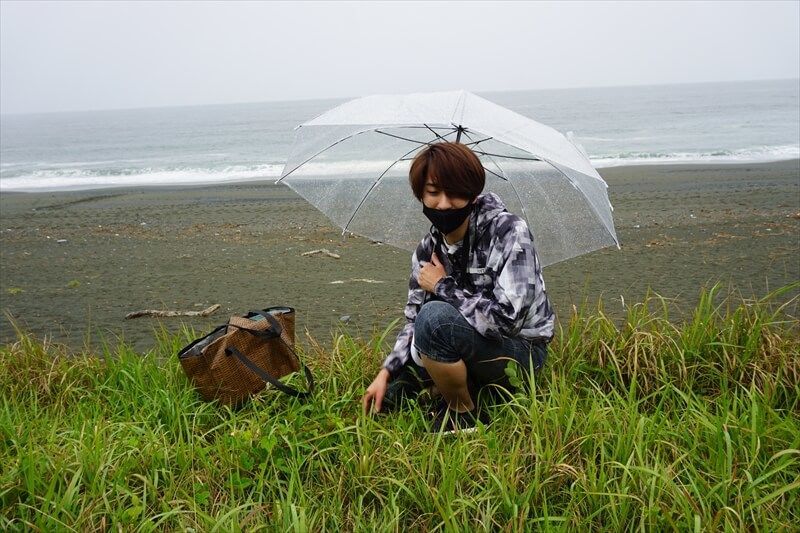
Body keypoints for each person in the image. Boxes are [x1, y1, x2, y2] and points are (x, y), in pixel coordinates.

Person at [361, 142, 554, 433]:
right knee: (391, 393)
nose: (443, 204)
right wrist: (386, 371)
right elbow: (413, 319)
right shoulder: (428, 249)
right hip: (463, 340)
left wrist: (442, 285)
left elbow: (507, 320)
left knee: (435, 320)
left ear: (473, 193)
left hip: (520, 352)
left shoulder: (509, 232)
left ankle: (462, 413)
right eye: (433, 192)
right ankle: (457, 380)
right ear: (421, 195)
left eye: (454, 192)